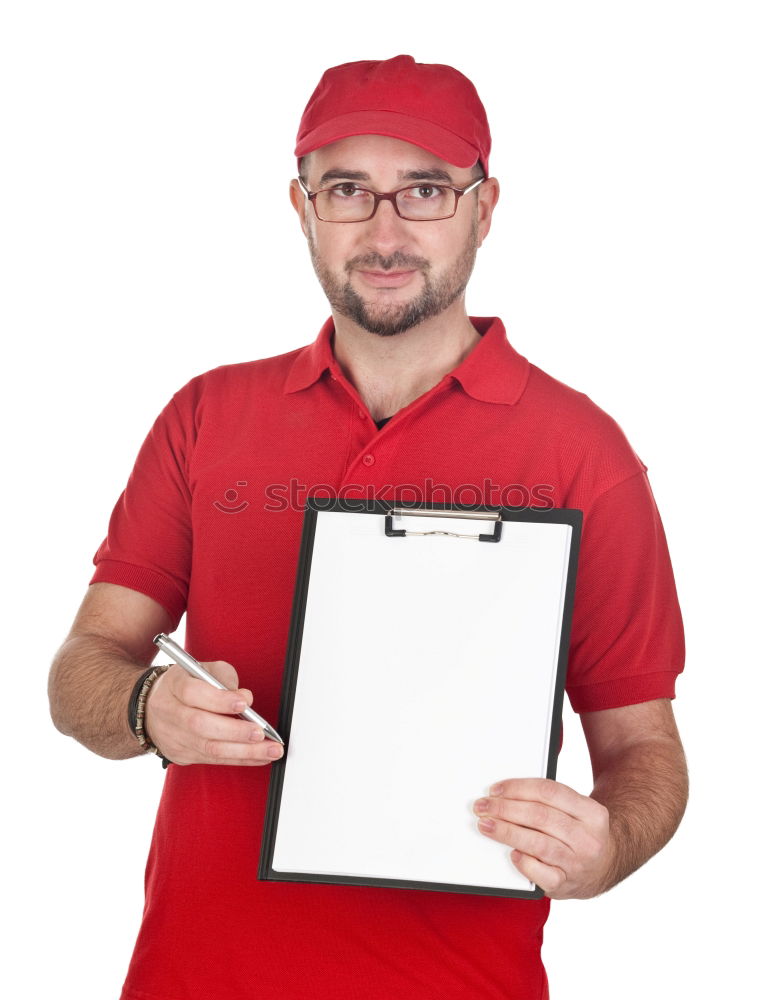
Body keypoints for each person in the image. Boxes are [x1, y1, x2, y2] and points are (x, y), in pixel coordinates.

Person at [48, 54, 688, 1000]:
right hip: (195, 977)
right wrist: (146, 708)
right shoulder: (206, 417)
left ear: (484, 206)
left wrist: (606, 848)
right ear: (303, 208)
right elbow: (82, 669)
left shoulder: (581, 453)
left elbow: (644, 749)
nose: (384, 232)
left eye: (424, 190)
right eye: (348, 190)